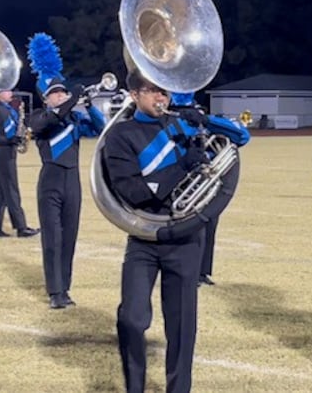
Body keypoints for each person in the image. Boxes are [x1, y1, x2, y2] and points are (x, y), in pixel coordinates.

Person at [104, 71, 249, 393]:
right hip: (143, 237)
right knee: (131, 318)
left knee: (182, 327)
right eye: (153, 91)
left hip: (185, 238)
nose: (161, 99)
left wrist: (205, 120)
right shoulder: (120, 135)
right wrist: (182, 167)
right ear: (134, 95)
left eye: (165, 92)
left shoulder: (181, 124)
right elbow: (135, 192)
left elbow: (241, 138)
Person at [29, 78, 105, 308]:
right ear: (46, 98)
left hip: (72, 180)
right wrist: (72, 99)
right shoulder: (39, 117)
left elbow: (101, 128)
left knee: (69, 237)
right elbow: (52, 119)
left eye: (63, 92)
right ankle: (55, 291)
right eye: (56, 93)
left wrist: (90, 105)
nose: (61, 96)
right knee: (52, 238)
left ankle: (65, 288)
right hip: (50, 179)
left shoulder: (74, 119)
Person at [167, 91, 220, 287]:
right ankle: (186, 270)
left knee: (210, 224)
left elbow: (224, 138)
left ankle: (203, 272)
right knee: (188, 226)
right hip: (181, 175)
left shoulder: (199, 114)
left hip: (204, 176)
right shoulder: (168, 116)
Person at [0, 89, 39, 238]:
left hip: (9, 150)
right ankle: (21, 227)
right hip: (2, 151)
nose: (10, 93)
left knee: (0, 191)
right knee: (12, 189)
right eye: (6, 91)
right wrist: (6, 140)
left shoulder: (9, 109)